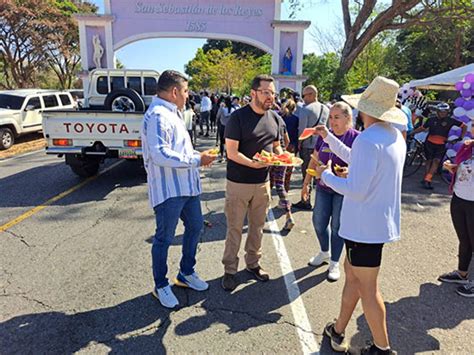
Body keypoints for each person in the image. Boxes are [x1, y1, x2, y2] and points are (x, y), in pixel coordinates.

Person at [315, 76, 406, 354]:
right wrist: (328, 137)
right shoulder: (393, 136)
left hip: (364, 226)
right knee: (352, 276)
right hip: (374, 225)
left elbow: (355, 189)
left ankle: (382, 347)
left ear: (366, 111)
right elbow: (356, 158)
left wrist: (326, 175)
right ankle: (339, 329)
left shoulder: (368, 140)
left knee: (368, 288)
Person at [141, 70, 216, 309]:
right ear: (174, 92)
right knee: (163, 238)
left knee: (194, 227)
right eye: (185, 91)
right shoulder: (158, 116)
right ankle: (161, 284)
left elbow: (180, 150)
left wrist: (199, 156)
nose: (187, 96)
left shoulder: (173, 113)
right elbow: (159, 154)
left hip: (187, 187)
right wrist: (196, 161)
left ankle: (186, 272)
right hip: (169, 190)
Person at [221, 74, 283, 291]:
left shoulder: (274, 118)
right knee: (234, 228)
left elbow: (276, 146)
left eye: (273, 93)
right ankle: (229, 269)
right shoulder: (237, 118)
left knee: (257, 227)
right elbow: (232, 152)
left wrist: (280, 156)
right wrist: (252, 164)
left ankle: (253, 264)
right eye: (266, 92)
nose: (270, 97)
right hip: (238, 183)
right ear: (254, 93)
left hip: (263, 183)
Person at [303, 102, 359, 282]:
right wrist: (306, 184)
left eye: (337, 117)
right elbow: (315, 159)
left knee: (337, 227)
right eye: (330, 117)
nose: (332, 122)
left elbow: (361, 167)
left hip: (342, 190)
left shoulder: (356, 138)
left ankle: (335, 262)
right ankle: (324, 252)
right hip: (323, 187)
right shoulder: (324, 136)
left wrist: (348, 172)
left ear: (348, 119)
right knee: (319, 222)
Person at [439, 120, 474, 298]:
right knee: (464, 239)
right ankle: (462, 273)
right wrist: (453, 168)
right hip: (460, 197)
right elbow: (463, 171)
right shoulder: (467, 146)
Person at [410, 102, 466, 190]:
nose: (443, 113)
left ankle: (428, 180)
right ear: (437, 111)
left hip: (441, 145)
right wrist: (412, 133)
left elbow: (464, 126)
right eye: (441, 111)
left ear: (448, 112)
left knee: (436, 161)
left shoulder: (450, 120)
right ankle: (426, 178)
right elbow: (422, 128)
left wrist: (460, 138)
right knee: (428, 161)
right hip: (429, 143)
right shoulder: (431, 120)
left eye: (445, 111)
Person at [293, 85, 330, 210]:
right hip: (322, 145)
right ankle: (320, 203)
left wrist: (298, 144)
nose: (303, 99)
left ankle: (306, 201)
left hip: (308, 146)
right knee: (320, 175)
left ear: (311, 94)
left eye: (304, 95)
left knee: (307, 174)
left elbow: (302, 130)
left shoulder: (306, 109)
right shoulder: (326, 109)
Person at [270, 114, 295, 231]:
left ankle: (260, 211)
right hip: (283, 156)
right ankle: (289, 214)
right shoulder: (281, 121)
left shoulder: (267, 120)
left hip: (270, 157)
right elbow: (288, 140)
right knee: (280, 186)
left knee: (267, 185)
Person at [281, 99, 299, 193]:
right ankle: (285, 189)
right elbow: (296, 133)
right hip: (291, 145)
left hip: (280, 145)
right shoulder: (296, 119)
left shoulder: (280, 117)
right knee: (288, 170)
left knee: (277, 168)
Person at [216, 96, 235, 161]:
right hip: (231, 127)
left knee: (222, 142)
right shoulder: (233, 110)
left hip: (222, 126)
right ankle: (228, 155)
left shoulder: (222, 109)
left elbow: (218, 116)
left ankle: (222, 156)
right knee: (229, 142)